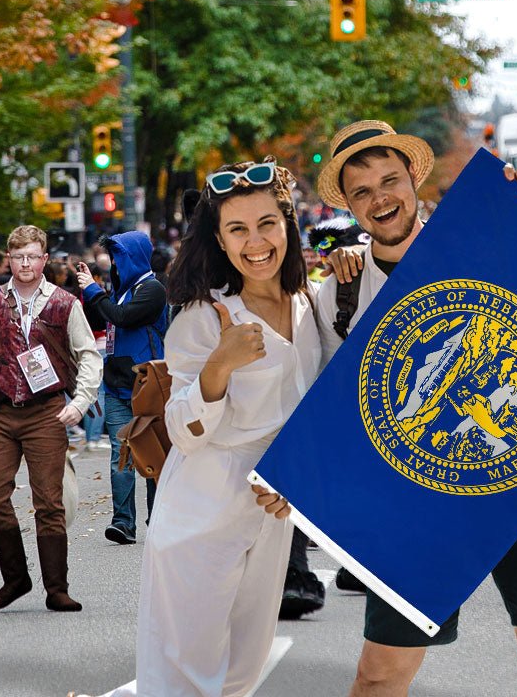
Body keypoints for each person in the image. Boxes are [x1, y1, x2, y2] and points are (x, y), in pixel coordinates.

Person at [304, 121, 517, 697]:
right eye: (361, 191)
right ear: (350, 206)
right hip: (412, 492)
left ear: (414, 178)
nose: (379, 198)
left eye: (389, 180)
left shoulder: (488, 242)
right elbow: (326, 407)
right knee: (380, 671)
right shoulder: (335, 292)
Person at [96, 158, 322, 697]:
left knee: (242, 672)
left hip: (273, 508)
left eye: (267, 223)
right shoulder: (204, 315)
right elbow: (184, 429)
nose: (255, 241)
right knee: (185, 679)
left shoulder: (310, 303)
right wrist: (220, 364)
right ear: (219, 241)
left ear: (287, 224)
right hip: (203, 505)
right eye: (237, 229)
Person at [0, 225, 102, 612]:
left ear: (44, 259)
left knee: (48, 503)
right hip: (1, 410)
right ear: (8, 259)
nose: (25, 263)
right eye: (19, 256)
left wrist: (81, 401)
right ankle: (16, 579)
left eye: (33, 256)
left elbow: (88, 354)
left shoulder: (65, 302)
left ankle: (57, 589)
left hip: (46, 411)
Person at [76, 231, 167, 545]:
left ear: (136, 257)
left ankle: (159, 521)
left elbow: (124, 318)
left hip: (149, 387)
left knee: (155, 456)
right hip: (116, 387)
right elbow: (100, 318)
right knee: (121, 457)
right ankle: (123, 523)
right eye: (113, 257)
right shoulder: (118, 291)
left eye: (120, 256)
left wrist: (95, 292)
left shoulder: (152, 289)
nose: (116, 263)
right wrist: (91, 292)